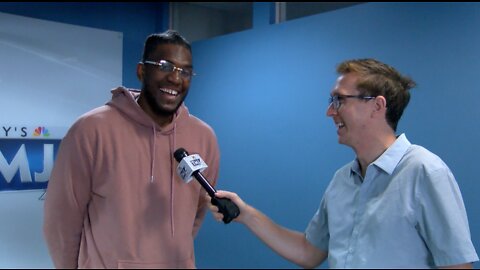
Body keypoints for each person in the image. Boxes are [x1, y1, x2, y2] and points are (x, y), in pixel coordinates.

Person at [209, 58, 478, 268]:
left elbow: (456, 265)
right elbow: (308, 252)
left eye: (339, 100)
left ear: (376, 106)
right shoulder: (342, 180)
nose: (330, 111)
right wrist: (244, 214)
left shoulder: (425, 171)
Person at [43, 30, 220, 268]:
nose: (176, 79)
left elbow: (196, 212)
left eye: (185, 71)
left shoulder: (204, 136)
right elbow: (61, 219)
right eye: (165, 66)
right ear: (141, 71)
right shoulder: (91, 130)